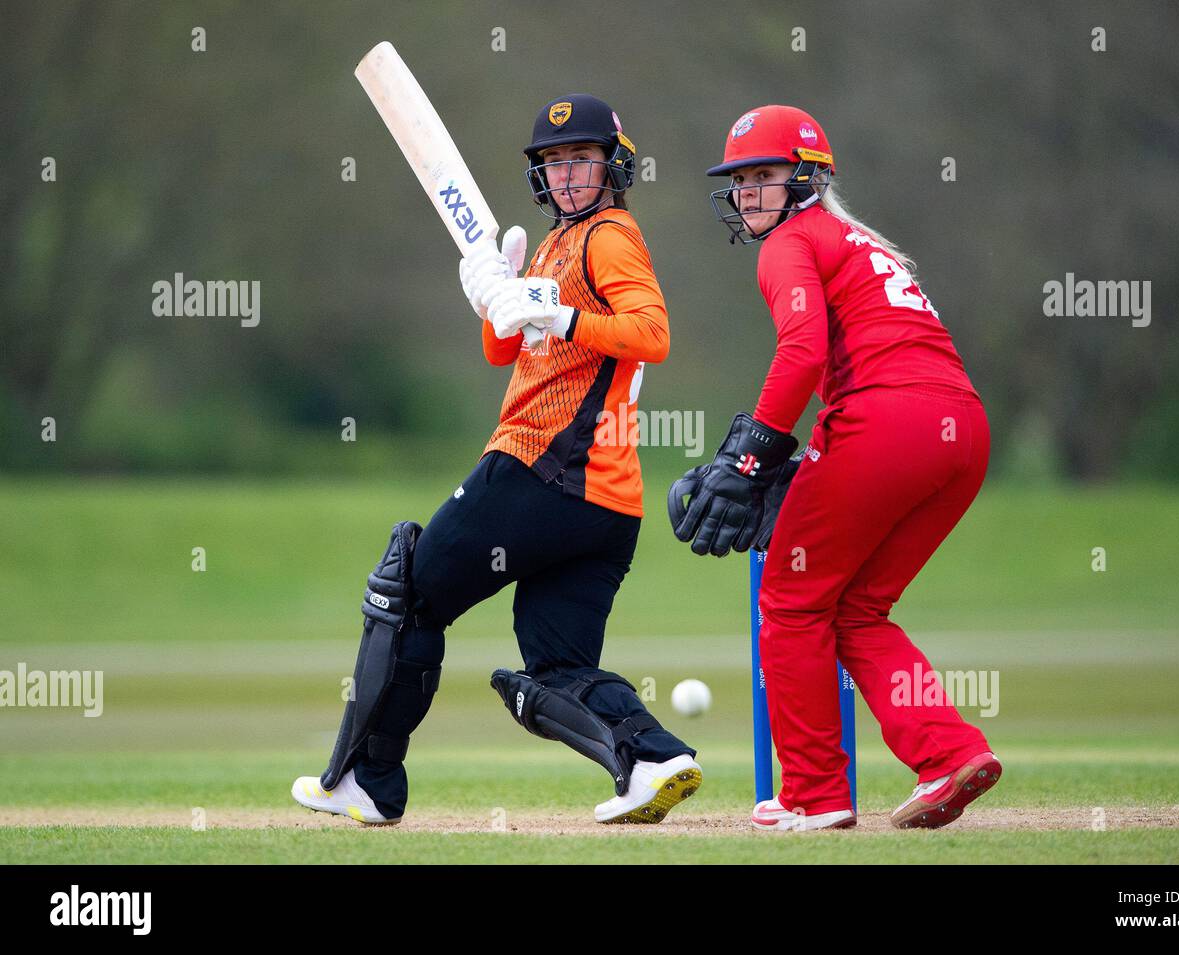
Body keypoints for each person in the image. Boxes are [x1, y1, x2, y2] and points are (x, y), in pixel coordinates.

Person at [293, 94, 700, 826]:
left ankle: (368, 779)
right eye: (553, 163)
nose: (568, 175)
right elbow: (507, 350)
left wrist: (555, 311)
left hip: (540, 470)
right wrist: (495, 295)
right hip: (604, 507)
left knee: (409, 590)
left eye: (580, 159)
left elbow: (652, 331)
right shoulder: (551, 245)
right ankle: (652, 757)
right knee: (557, 664)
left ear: (613, 165)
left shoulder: (608, 236)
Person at [669, 105, 999, 831]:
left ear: (807, 179)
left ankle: (815, 797)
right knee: (855, 607)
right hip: (962, 432)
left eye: (765, 176)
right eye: (741, 179)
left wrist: (749, 456)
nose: (749, 192)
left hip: (883, 422)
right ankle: (950, 751)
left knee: (789, 602)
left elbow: (803, 353)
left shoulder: (789, 241)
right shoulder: (859, 241)